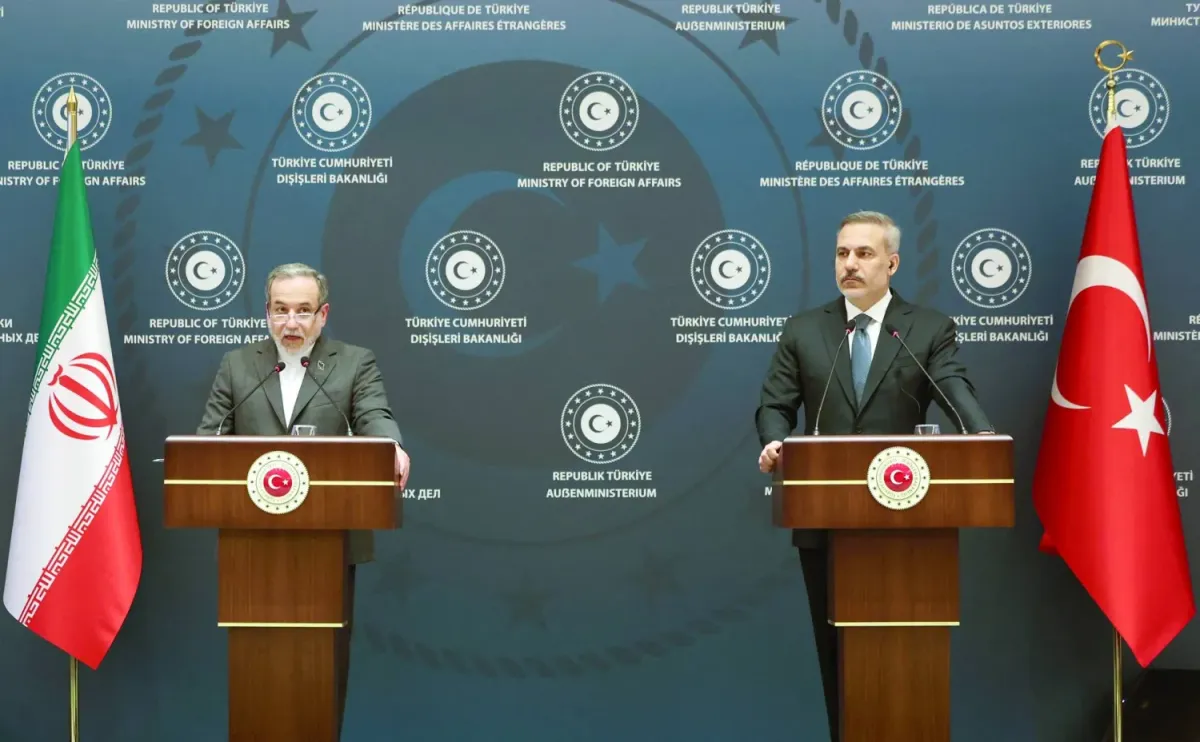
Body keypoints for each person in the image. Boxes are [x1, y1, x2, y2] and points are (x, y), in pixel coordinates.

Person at [754, 211, 993, 741]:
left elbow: (952, 384)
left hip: (909, 524)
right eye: (842, 253)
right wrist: (775, 440)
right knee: (837, 657)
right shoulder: (804, 330)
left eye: (864, 253)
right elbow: (775, 405)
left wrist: (981, 434)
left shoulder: (927, 328)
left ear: (892, 263)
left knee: (909, 660)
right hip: (825, 519)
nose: (850, 264)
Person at [196, 261, 410, 737]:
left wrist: (390, 445)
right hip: (251, 548)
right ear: (267, 312)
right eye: (280, 310)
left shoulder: (354, 362)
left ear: (322, 314)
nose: (290, 323)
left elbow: (374, 414)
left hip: (327, 546)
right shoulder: (238, 365)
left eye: (303, 310)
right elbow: (209, 440)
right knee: (257, 681)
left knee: (321, 676)